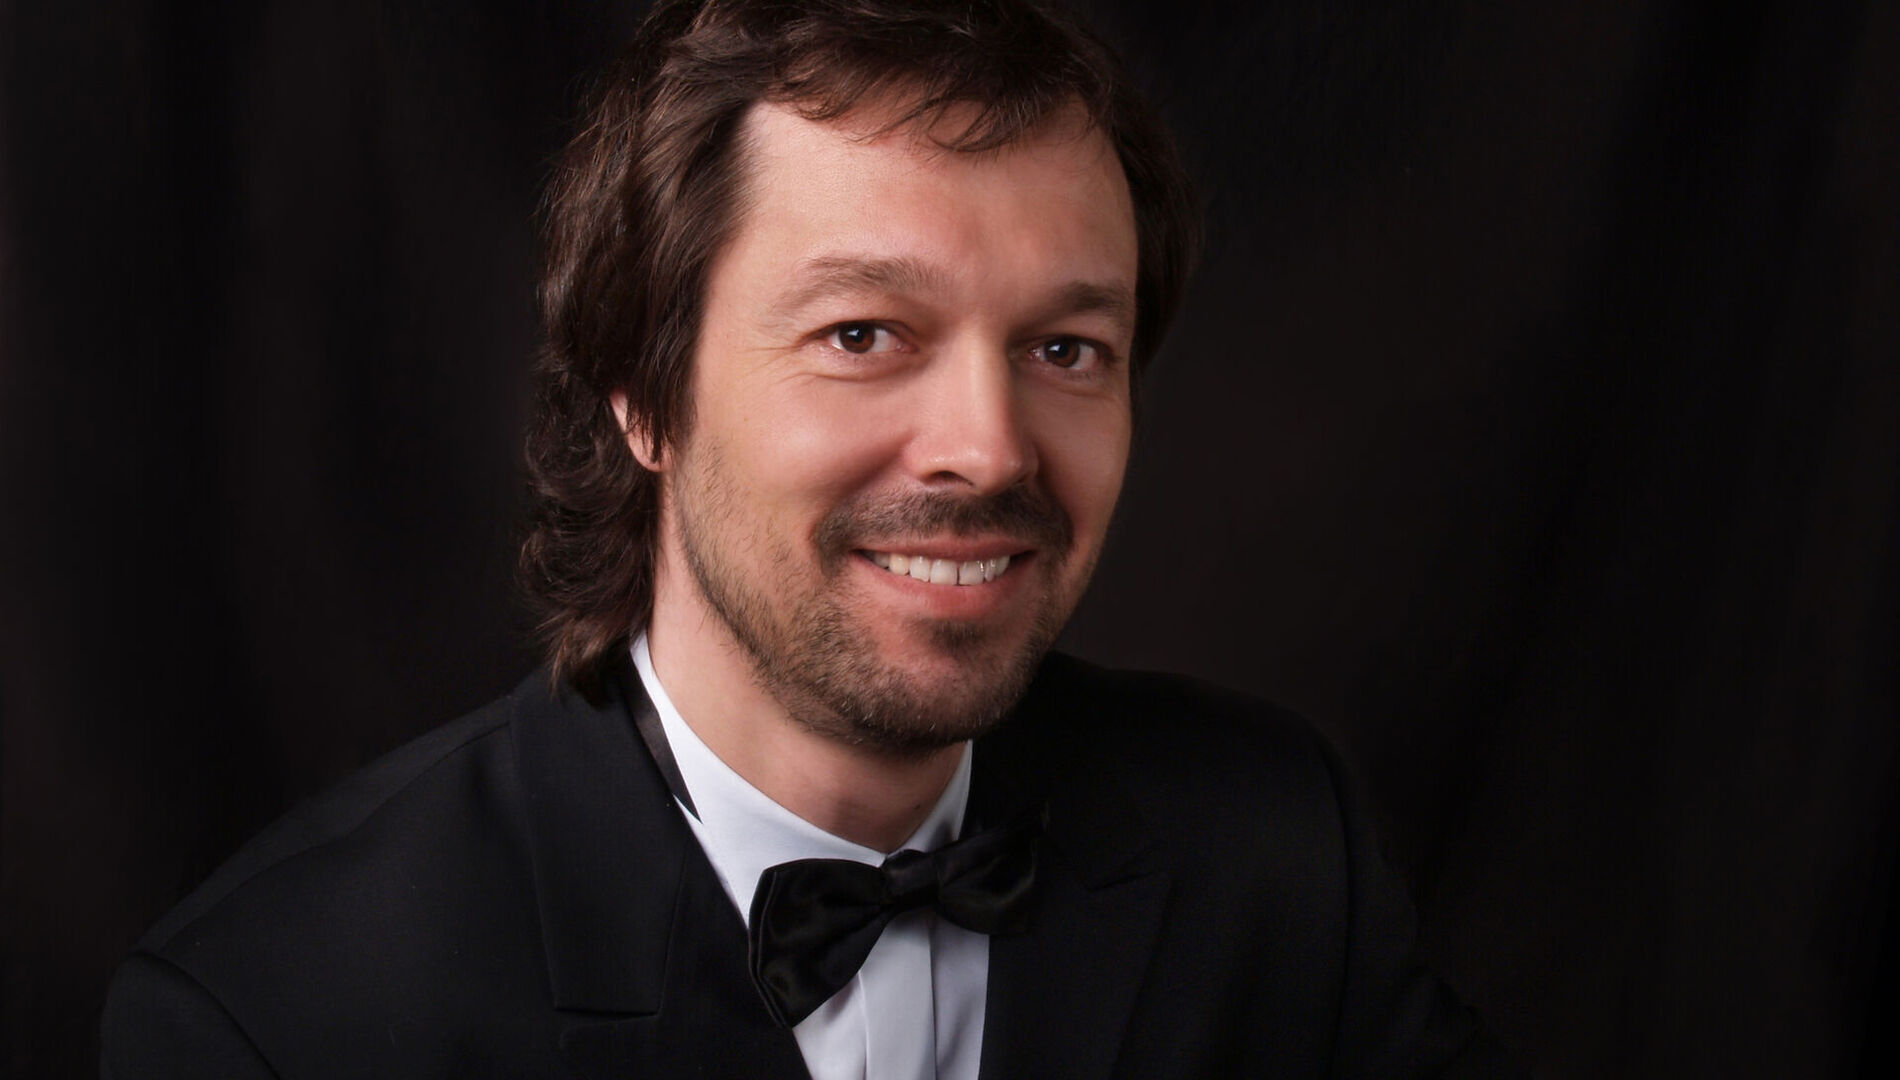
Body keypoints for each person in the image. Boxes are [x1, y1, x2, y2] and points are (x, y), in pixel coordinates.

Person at [102, 0, 1523, 1076]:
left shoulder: (1277, 860)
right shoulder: (277, 1017)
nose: (989, 447)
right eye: (862, 334)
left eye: (1065, 348)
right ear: (643, 392)